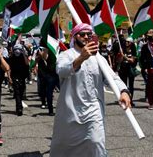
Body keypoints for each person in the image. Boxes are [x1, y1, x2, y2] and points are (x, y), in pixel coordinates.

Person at [50, 23, 130, 156]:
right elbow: (62, 70)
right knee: (64, 148)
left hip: (94, 110)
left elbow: (112, 77)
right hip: (71, 112)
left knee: (96, 143)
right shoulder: (66, 55)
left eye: (89, 34)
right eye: (82, 34)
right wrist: (81, 58)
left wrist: (124, 91)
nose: (86, 37)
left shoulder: (98, 58)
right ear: (74, 37)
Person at [8, 44, 29, 116]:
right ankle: (19, 109)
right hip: (14, 76)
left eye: (19, 50)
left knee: (21, 92)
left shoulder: (23, 56)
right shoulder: (12, 57)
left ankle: (19, 107)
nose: (17, 52)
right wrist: (9, 77)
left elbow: (27, 63)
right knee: (17, 93)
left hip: (22, 77)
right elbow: (9, 68)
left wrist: (23, 54)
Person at [36, 46, 57, 116]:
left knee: (51, 92)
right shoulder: (45, 49)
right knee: (46, 92)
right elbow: (44, 57)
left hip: (55, 74)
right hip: (47, 74)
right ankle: (47, 106)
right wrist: (42, 54)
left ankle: (51, 109)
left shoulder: (56, 48)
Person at [117, 37, 138, 106]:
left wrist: (125, 57)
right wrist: (121, 55)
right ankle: (124, 99)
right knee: (124, 85)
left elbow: (132, 60)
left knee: (131, 86)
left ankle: (131, 100)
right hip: (123, 69)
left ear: (131, 43)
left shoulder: (133, 50)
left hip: (130, 69)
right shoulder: (122, 50)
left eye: (128, 42)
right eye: (126, 41)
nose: (126, 43)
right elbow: (119, 61)